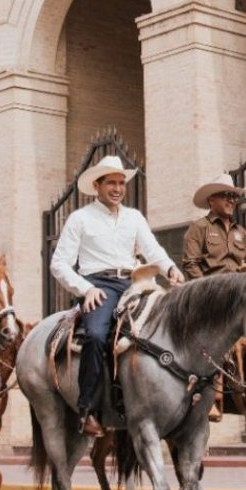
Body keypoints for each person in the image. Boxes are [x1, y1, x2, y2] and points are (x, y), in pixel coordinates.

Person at [50, 156, 184, 437]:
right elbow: (59, 264)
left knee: (168, 326)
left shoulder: (134, 217)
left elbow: (153, 250)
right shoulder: (80, 219)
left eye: (122, 183)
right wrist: (85, 289)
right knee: (97, 336)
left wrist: (171, 269)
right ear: (96, 186)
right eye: (111, 182)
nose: (118, 188)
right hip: (98, 285)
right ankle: (86, 408)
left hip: (135, 282)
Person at [182, 172, 246, 422]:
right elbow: (190, 264)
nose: (231, 200)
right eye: (225, 195)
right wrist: (210, 288)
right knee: (214, 338)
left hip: (241, 294)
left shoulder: (241, 232)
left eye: (233, 196)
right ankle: (208, 394)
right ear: (211, 199)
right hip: (211, 295)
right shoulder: (199, 228)